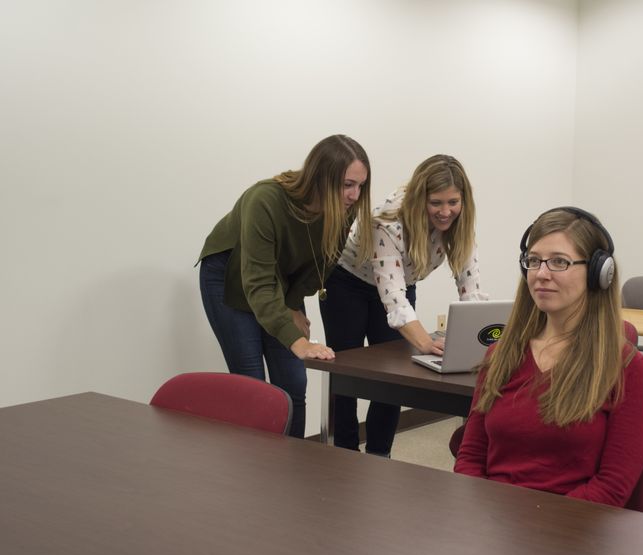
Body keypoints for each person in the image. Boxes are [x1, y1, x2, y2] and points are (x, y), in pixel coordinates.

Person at [454, 207, 643, 507]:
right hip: (492, 524)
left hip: (571, 530)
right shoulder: (500, 356)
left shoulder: (628, 368)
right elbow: (470, 458)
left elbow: (612, 488)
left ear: (599, 273)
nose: (541, 274)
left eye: (559, 262)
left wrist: (535, 525)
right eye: (533, 261)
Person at [197, 134, 373, 439]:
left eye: (361, 185)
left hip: (280, 283)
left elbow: (322, 264)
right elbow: (259, 283)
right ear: (320, 177)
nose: (355, 195)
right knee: (252, 384)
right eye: (347, 184)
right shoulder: (264, 199)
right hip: (230, 275)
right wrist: (300, 343)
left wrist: (291, 306)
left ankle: (292, 466)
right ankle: (254, 472)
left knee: (293, 383)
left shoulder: (345, 208)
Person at [319, 154, 486, 456]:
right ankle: (343, 454)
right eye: (436, 203)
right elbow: (394, 297)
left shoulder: (461, 223)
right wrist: (427, 342)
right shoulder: (387, 221)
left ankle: (380, 454)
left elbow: (471, 288)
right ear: (420, 198)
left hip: (401, 281)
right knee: (346, 372)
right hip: (348, 283)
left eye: (453, 202)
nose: (445, 211)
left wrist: (477, 337)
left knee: (394, 373)